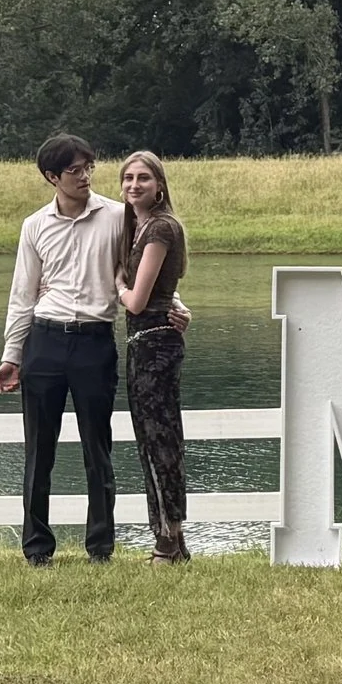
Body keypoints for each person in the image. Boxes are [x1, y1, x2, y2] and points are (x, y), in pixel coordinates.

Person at [0, 134, 126, 565]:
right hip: (45, 341)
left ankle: (100, 547)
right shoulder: (35, 226)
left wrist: (175, 307)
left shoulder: (117, 217)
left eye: (89, 166)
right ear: (52, 177)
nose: (85, 176)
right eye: (74, 170)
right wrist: (12, 355)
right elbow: (22, 294)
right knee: (39, 449)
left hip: (94, 340)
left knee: (97, 447)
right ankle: (36, 548)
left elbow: (141, 272)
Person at [116, 150, 189, 563]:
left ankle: (166, 541)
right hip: (146, 343)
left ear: (159, 185)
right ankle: (173, 540)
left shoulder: (160, 227)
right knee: (153, 439)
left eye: (143, 178)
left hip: (155, 344)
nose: (134, 185)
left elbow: (138, 301)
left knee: (159, 439)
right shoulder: (138, 225)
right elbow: (165, 292)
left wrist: (115, 285)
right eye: (127, 178)